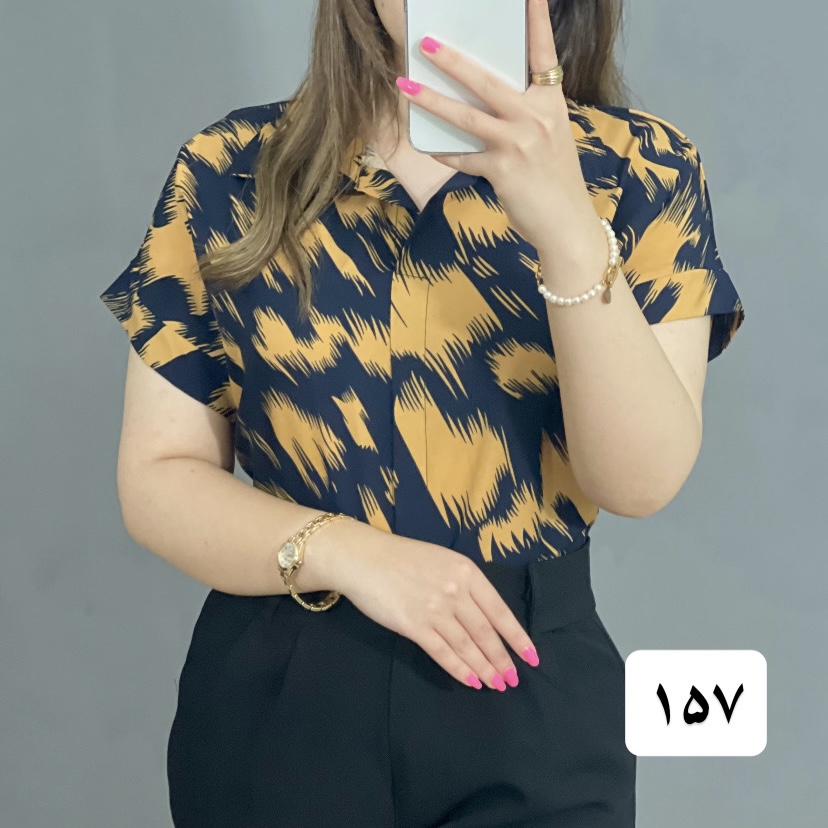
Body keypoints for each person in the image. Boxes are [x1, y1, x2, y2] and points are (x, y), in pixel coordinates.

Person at [99, 0, 745, 825]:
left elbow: (639, 481)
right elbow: (158, 479)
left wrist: (566, 228)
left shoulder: (643, 169)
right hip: (283, 685)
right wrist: (355, 556)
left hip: (525, 685)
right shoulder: (228, 171)